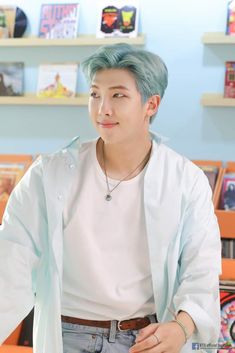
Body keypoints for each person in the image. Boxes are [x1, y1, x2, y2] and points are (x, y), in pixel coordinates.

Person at [0, 43, 222, 353]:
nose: (103, 108)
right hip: (66, 336)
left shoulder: (186, 180)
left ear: (151, 104)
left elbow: (202, 267)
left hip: (145, 338)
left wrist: (182, 327)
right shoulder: (48, 174)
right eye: (94, 94)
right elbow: (10, 261)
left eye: (118, 95)